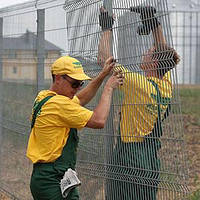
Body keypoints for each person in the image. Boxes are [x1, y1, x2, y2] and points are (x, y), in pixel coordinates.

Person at [98, 6, 180, 200]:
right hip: (150, 158)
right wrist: (153, 23)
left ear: (153, 63)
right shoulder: (166, 85)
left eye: (149, 52)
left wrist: (106, 28)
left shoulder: (139, 84)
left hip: (130, 158)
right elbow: (164, 55)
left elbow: (104, 60)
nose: (145, 52)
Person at [26, 55, 124, 200]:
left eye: (80, 84)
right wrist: (109, 88)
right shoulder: (59, 104)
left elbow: (81, 99)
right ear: (58, 78)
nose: (78, 88)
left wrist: (102, 75)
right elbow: (99, 120)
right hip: (51, 180)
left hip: (56, 177)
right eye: (74, 83)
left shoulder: (45, 97)